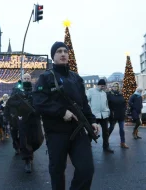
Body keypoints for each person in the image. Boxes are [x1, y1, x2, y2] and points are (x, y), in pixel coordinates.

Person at [33, 42, 99, 189]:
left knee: (86, 170)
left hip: (79, 131)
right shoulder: (45, 78)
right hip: (56, 133)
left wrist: (92, 121)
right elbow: (38, 101)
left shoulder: (77, 78)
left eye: (65, 51)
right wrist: (61, 112)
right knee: (57, 172)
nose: (63, 54)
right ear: (53, 56)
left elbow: (84, 104)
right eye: (59, 51)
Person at [6, 73, 44, 173]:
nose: (26, 80)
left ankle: (30, 151)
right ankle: (27, 160)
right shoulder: (16, 90)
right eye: (25, 78)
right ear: (21, 80)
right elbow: (11, 103)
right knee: (25, 140)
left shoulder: (35, 89)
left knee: (38, 139)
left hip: (34, 118)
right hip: (22, 118)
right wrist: (19, 108)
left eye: (28, 78)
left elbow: (40, 100)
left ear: (31, 79)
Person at [87, 79, 114, 153]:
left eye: (104, 86)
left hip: (104, 115)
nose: (103, 87)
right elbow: (85, 101)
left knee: (106, 132)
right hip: (94, 115)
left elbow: (106, 104)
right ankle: (87, 147)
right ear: (98, 85)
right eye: (102, 86)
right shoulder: (91, 91)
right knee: (91, 131)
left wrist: (107, 111)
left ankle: (106, 147)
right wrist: (90, 111)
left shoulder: (104, 93)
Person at [107, 82, 129, 149]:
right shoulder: (109, 94)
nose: (115, 87)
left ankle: (123, 142)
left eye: (117, 86)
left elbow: (124, 103)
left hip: (121, 114)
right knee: (111, 128)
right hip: (113, 115)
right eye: (114, 86)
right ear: (112, 87)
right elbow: (106, 104)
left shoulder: (121, 94)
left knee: (122, 129)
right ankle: (106, 140)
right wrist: (110, 112)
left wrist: (124, 110)